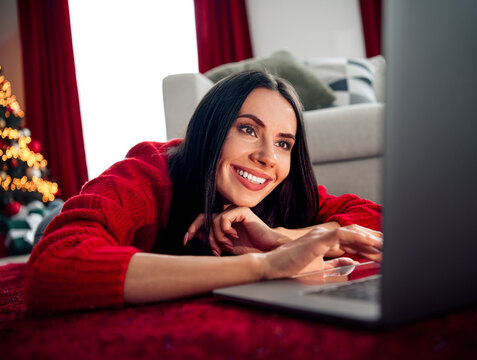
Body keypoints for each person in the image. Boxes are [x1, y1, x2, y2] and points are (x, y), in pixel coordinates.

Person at [24, 71, 383, 314]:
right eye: (247, 129)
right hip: (64, 218)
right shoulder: (146, 174)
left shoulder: (284, 187)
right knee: (43, 228)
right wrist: (263, 265)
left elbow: (381, 222)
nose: (267, 158)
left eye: (284, 143)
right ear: (211, 129)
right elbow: (54, 267)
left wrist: (282, 237)